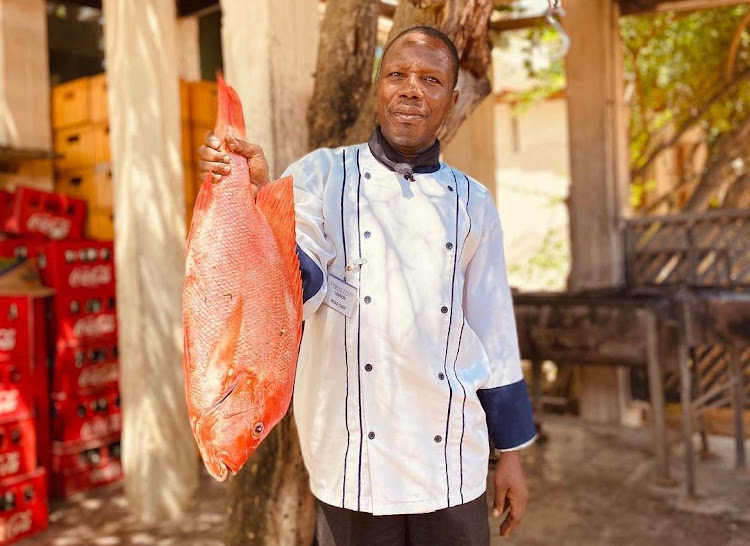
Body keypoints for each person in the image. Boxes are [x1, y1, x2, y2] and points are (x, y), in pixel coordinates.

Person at [199, 26, 536, 546]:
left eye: (430, 79)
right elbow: (294, 290)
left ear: (451, 99)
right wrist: (261, 198)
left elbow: (494, 335)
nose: (411, 89)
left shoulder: (474, 203)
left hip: (450, 465)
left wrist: (510, 453)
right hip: (350, 465)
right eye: (397, 74)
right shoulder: (318, 176)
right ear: (378, 86)